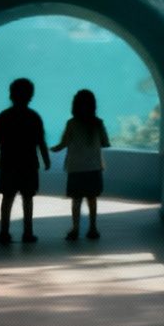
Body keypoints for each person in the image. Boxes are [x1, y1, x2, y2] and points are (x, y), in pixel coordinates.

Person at [0, 78, 50, 244]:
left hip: (8, 164)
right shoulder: (34, 117)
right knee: (28, 199)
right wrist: (46, 160)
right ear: (31, 96)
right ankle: (28, 233)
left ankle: (4, 233)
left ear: (11, 95)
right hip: (29, 165)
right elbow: (41, 142)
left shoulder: (4, 116)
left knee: (7, 199)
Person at [51, 88, 110, 240]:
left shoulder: (71, 123)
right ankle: (93, 228)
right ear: (93, 106)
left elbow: (63, 143)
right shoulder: (98, 123)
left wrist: (52, 149)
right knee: (92, 199)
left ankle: (75, 229)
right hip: (94, 167)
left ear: (75, 105)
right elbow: (105, 143)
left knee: (76, 200)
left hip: (75, 168)